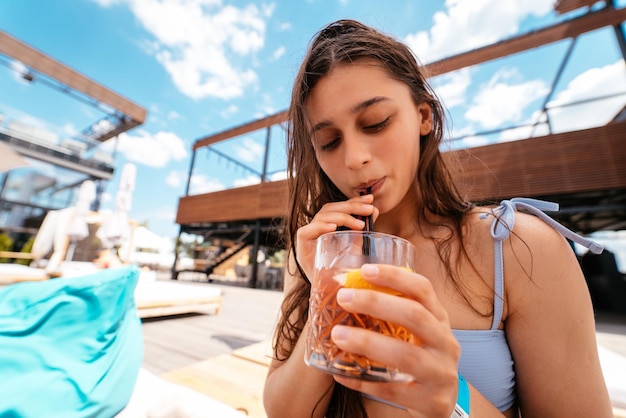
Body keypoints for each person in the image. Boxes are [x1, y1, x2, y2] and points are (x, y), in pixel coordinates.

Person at [263, 19, 613, 418]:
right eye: (329, 142)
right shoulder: (315, 250)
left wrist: (454, 399)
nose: (353, 157)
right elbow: (283, 410)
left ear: (424, 116)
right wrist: (323, 294)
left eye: (376, 122)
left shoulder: (520, 248)